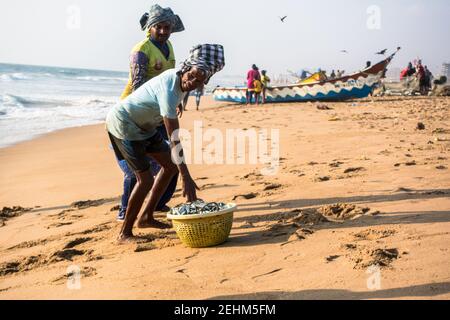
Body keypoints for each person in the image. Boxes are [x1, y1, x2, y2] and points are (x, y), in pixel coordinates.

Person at [106, 44, 225, 242]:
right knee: (145, 179)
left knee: (170, 167)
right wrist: (187, 177)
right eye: (192, 76)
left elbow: (168, 90)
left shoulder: (179, 80)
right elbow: (174, 138)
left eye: (199, 81)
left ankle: (146, 217)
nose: (192, 82)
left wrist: (180, 101)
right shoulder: (170, 90)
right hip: (124, 123)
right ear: (185, 68)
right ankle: (124, 233)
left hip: (145, 125)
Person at [115, 4, 184, 221]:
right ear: (150, 27)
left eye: (167, 27)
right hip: (136, 114)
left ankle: (158, 203)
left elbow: (172, 76)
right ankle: (125, 211)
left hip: (160, 109)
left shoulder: (169, 46)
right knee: (139, 169)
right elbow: (138, 89)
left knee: (170, 160)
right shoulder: (141, 51)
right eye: (159, 27)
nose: (163, 31)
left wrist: (177, 100)